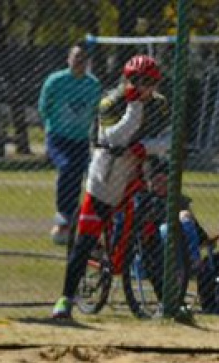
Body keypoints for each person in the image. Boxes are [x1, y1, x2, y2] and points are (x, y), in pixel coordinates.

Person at [52, 54, 170, 320]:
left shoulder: (160, 105)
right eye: (134, 80)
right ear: (125, 79)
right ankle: (66, 298)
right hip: (105, 177)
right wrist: (134, 107)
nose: (140, 86)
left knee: (149, 237)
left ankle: (167, 302)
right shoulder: (110, 102)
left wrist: (146, 147)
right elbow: (114, 137)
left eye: (147, 82)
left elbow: (169, 140)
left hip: (136, 175)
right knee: (85, 239)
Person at [38, 44, 101, 245]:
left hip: (81, 140)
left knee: (87, 175)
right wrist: (48, 131)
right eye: (76, 57)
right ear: (68, 59)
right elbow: (44, 108)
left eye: (83, 58)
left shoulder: (93, 85)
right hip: (58, 138)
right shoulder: (55, 81)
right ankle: (63, 216)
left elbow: (97, 112)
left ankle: (80, 219)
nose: (79, 61)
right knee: (67, 167)